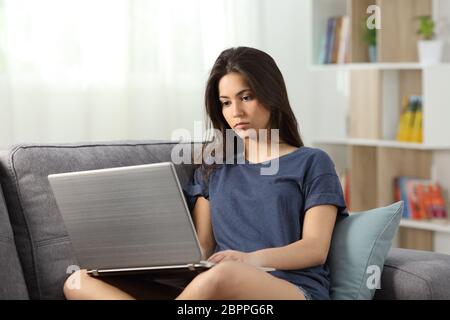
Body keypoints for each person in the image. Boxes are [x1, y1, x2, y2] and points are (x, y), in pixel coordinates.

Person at [63, 46, 348, 300]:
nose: (235, 111)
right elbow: (202, 247)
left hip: (290, 288)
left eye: (245, 97)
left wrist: (248, 260)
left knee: (224, 275)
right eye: (225, 102)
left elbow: (315, 248)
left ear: (271, 95)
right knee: (78, 281)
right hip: (213, 289)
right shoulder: (214, 167)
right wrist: (137, 263)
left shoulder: (313, 162)